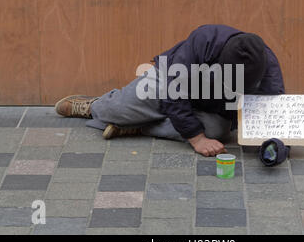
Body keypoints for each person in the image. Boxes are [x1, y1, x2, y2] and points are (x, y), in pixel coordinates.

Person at [55, 24, 285, 157]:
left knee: (215, 132)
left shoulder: (269, 67)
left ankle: (137, 126)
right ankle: (95, 106)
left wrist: (275, 149)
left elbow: (277, 118)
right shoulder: (205, 39)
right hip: (170, 83)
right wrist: (196, 140)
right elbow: (173, 92)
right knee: (115, 110)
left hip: (211, 109)